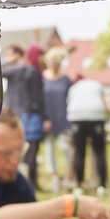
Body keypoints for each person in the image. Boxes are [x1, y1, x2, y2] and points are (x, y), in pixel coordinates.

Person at [2, 43, 46, 189]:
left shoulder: (27, 70)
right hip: (22, 114)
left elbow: (37, 95)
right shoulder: (23, 70)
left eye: (9, 54)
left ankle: (30, 181)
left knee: (29, 149)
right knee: (21, 149)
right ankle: (24, 181)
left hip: (28, 114)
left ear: (17, 54)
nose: (7, 58)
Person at [67, 74, 110, 196]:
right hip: (95, 117)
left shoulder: (74, 88)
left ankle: (78, 186)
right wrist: (107, 117)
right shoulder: (97, 85)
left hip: (76, 117)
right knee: (99, 151)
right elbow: (109, 106)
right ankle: (102, 186)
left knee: (79, 152)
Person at [42, 47, 72, 193]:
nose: (53, 63)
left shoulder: (66, 79)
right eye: (51, 60)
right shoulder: (42, 78)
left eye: (56, 61)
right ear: (47, 62)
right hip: (47, 119)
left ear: (60, 62)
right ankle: (54, 178)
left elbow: (70, 100)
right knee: (49, 150)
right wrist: (44, 119)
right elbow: (39, 100)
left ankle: (69, 177)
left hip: (63, 119)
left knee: (66, 148)